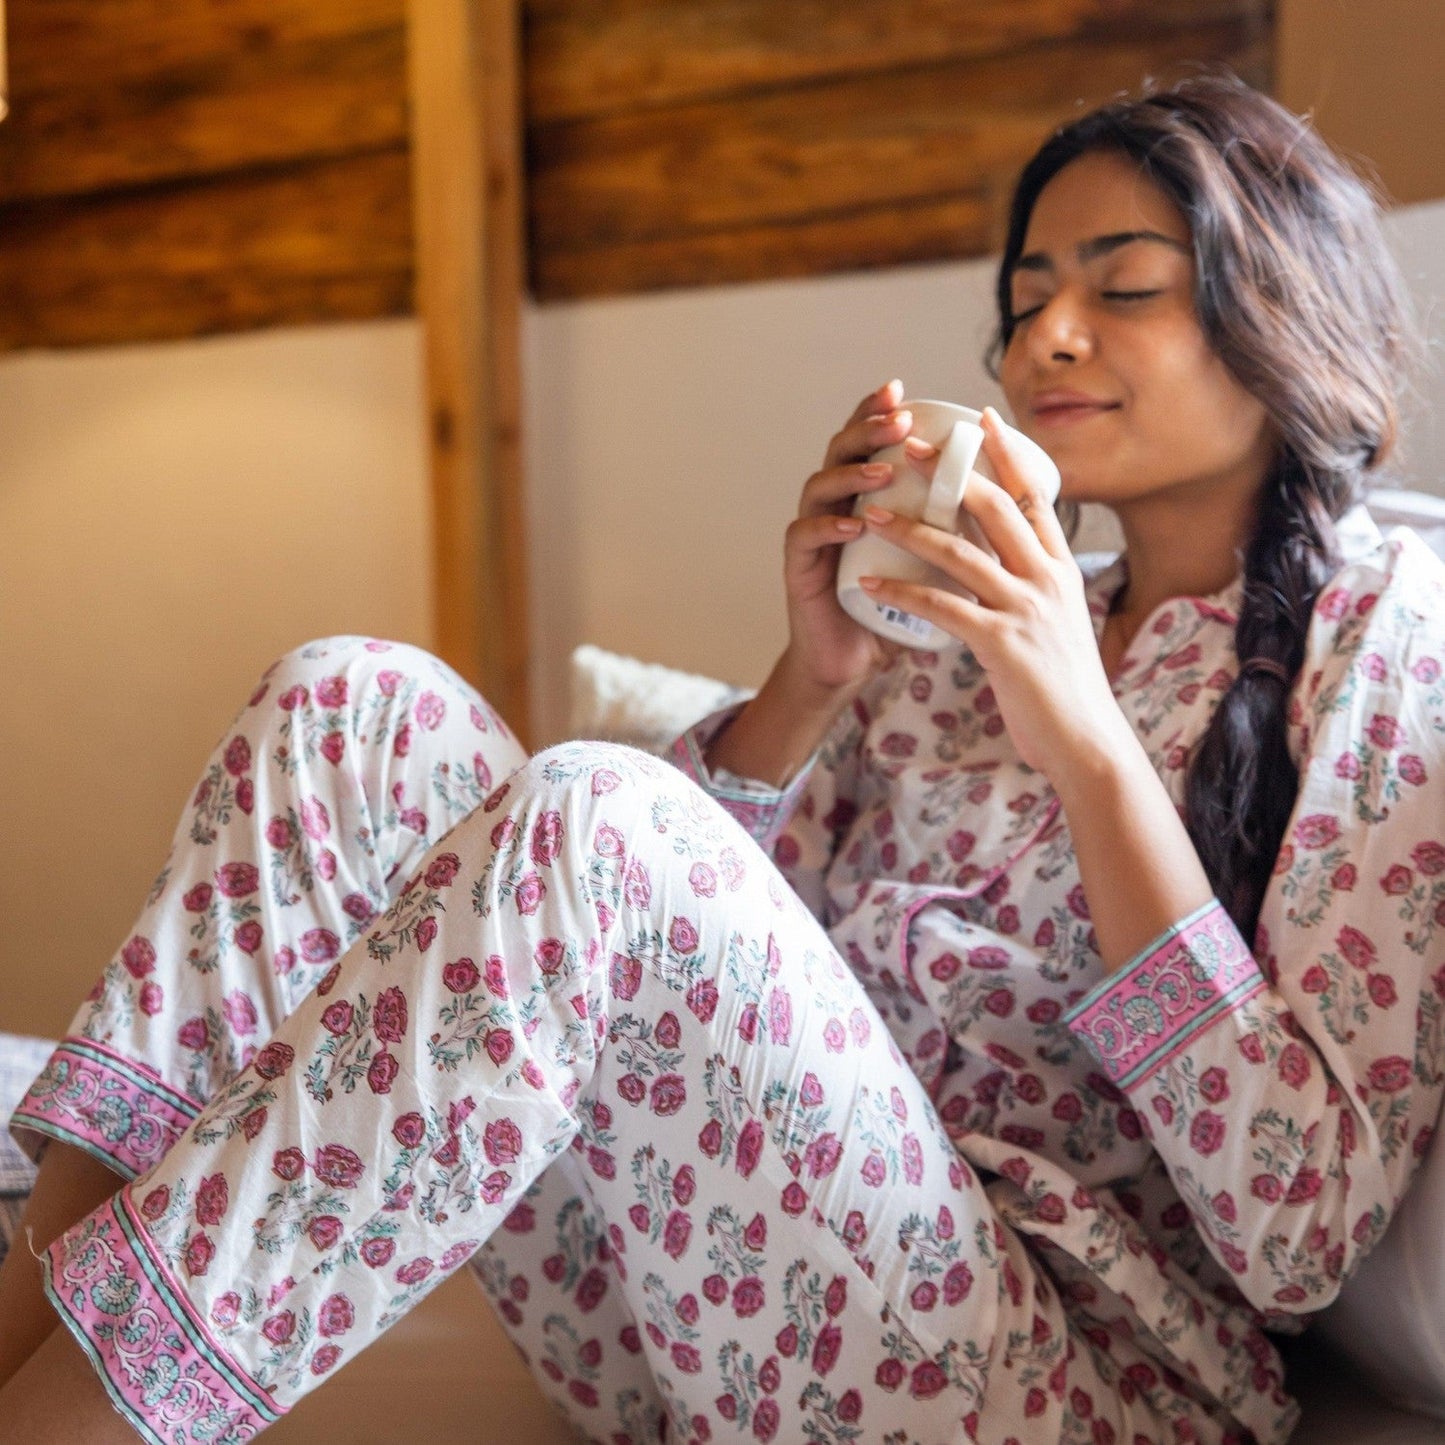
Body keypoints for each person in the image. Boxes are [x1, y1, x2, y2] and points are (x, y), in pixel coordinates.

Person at [1, 70, 1442, 1445]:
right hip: (703, 1295)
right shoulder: (949, 640)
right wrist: (810, 679)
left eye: (1121, 288)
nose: (1046, 337)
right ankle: (20, 1345)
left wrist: (1084, 736)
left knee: (599, 810)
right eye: (1023, 301)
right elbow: (631, 974)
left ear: (1279, 310)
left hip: (1062, 1378)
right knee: (351, 703)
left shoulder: (1383, 634)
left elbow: (1297, 1227)